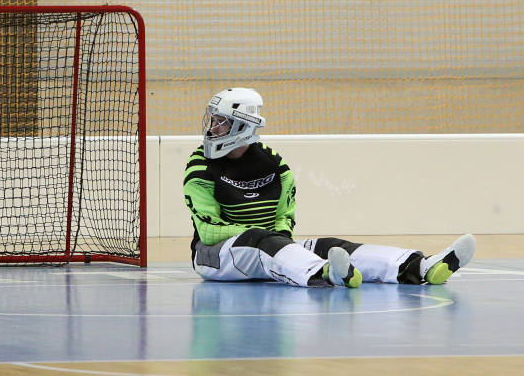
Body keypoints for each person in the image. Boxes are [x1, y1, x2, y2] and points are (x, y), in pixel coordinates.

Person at [184, 87, 476, 288]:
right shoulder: (199, 166)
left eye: (220, 122)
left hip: (266, 247)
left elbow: (284, 216)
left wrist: (280, 239)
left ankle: (417, 266)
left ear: (240, 126)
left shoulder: (275, 164)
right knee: (265, 240)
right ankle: (325, 274)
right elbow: (208, 231)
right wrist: (269, 237)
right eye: (213, 120)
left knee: (329, 245)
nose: (212, 128)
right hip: (214, 257)